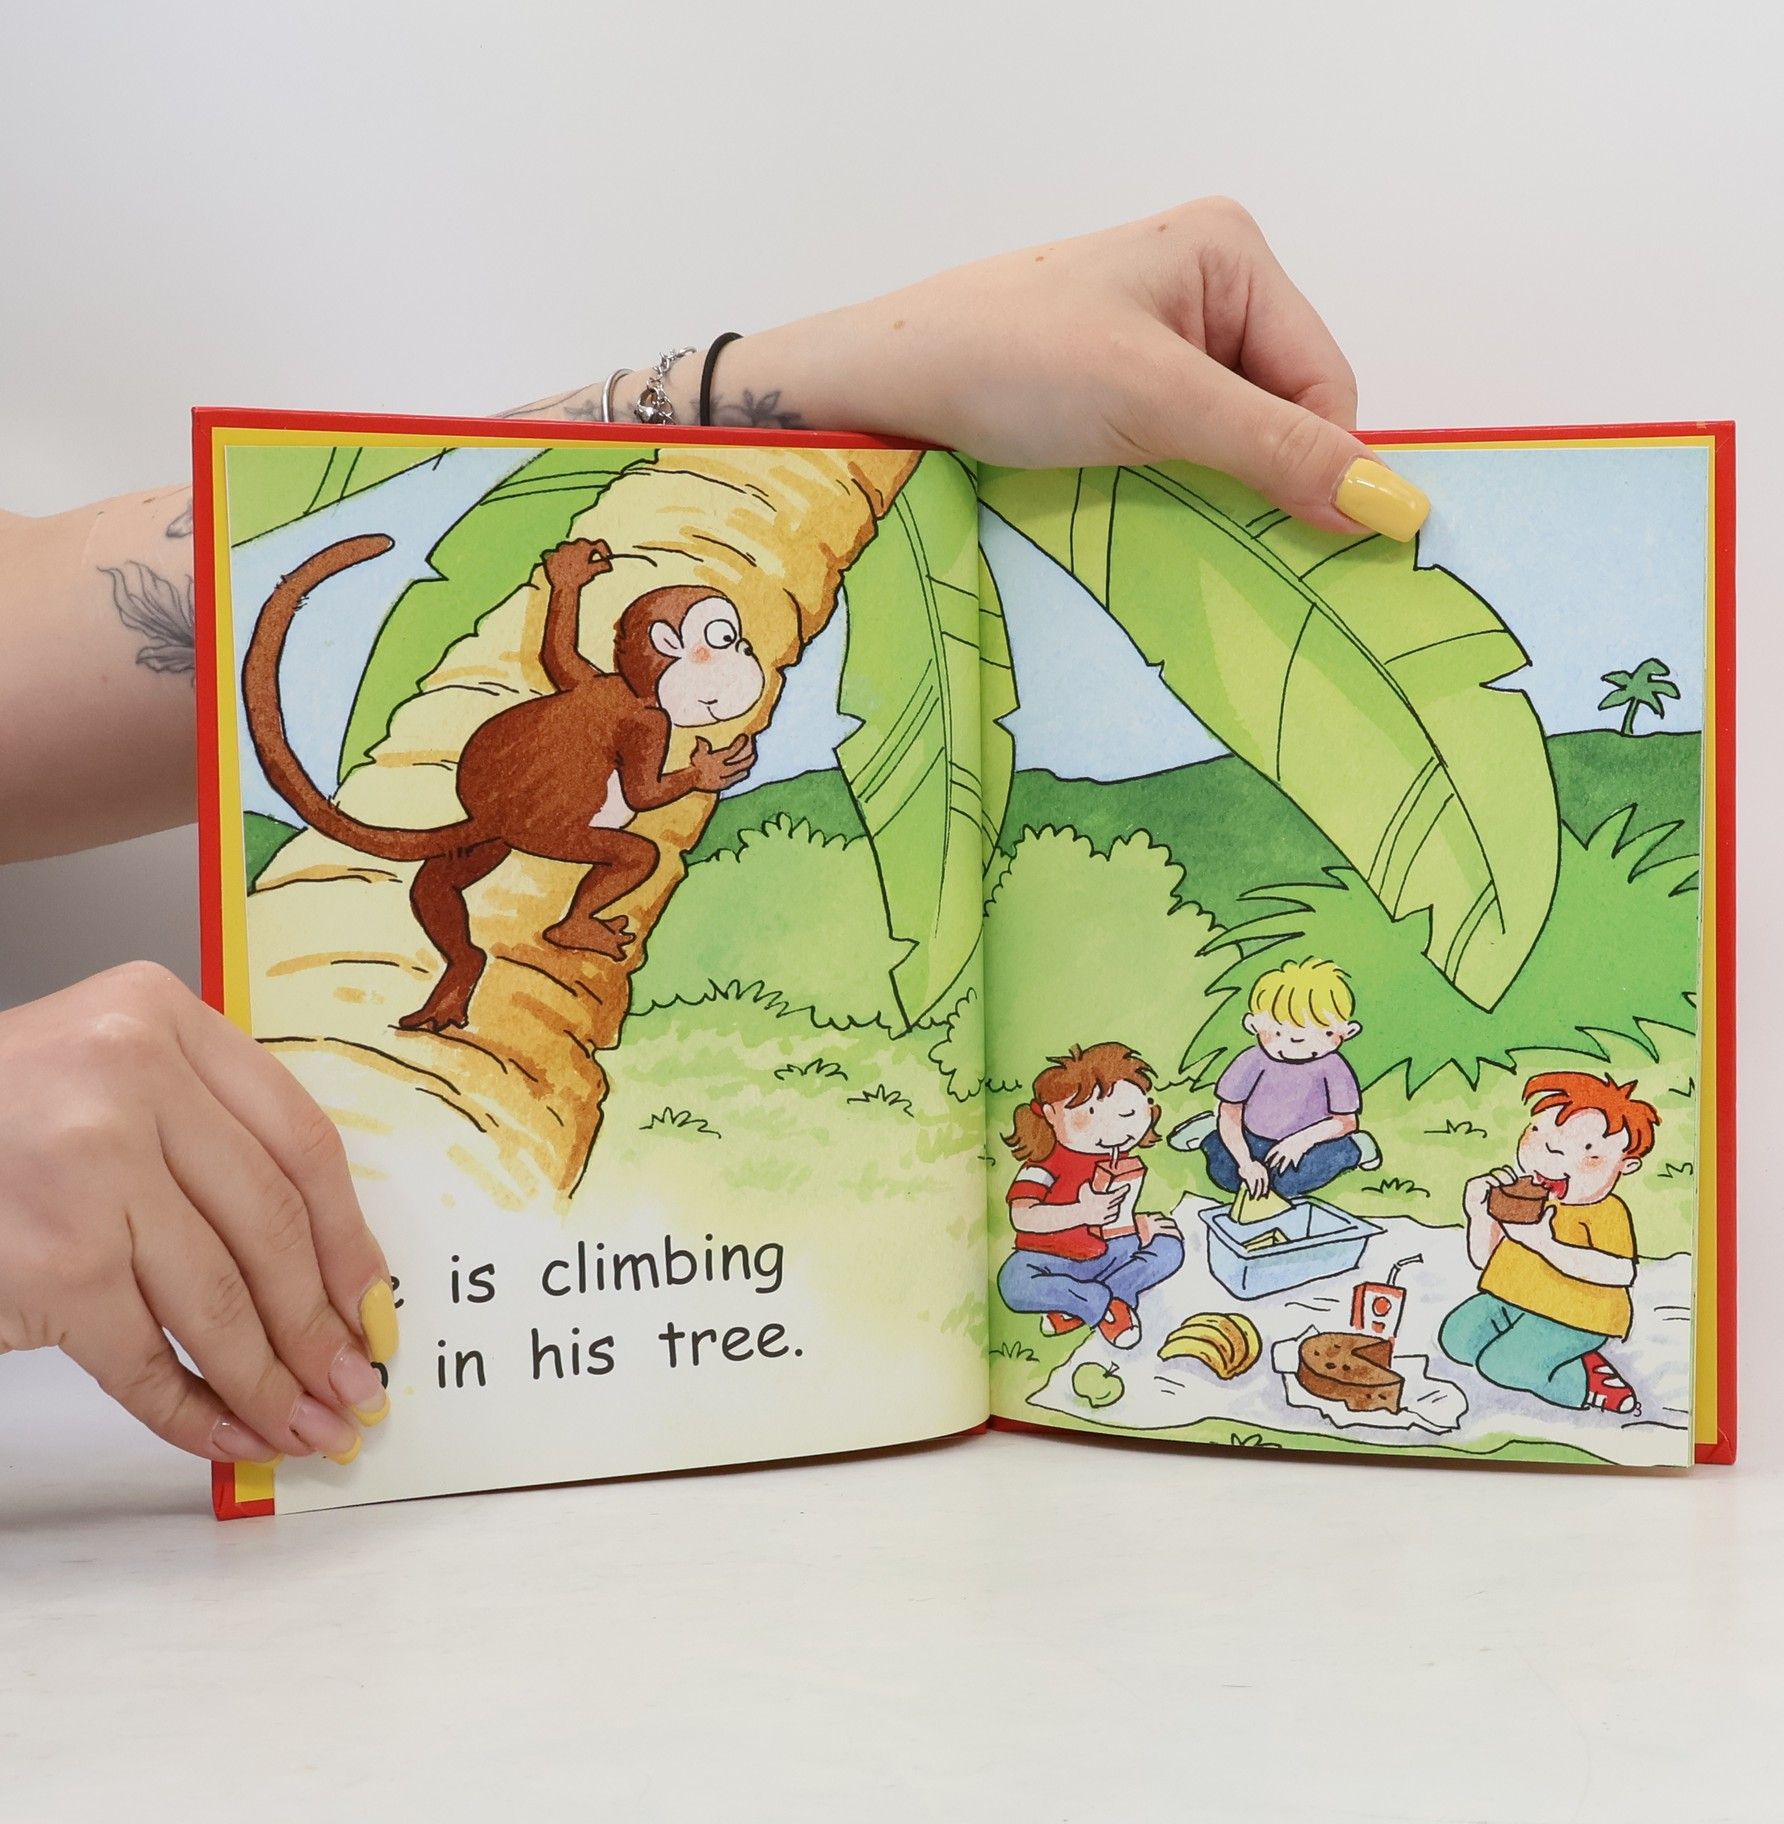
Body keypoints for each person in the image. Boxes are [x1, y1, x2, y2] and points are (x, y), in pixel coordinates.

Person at [0, 198, 1430, 1464]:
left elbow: (69, 627)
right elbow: (627, 771)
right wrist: (697, 749)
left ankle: (471, 966)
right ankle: (520, 949)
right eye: (689, 642)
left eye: (718, 643)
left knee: (471, 897)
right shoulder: (630, 715)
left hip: (495, 820)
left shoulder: (615, 691)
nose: (709, 660)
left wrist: (829, 377)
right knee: (586, 870)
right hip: (516, 836)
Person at [1439, 1071, 1658, 1416]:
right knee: (1458, 1339)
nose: (1551, 1151)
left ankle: (1587, 1383)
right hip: (1514, 1299)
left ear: (1625, 1165)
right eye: (1538, 1133)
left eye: (1587, 1152)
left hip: (1579, 1316)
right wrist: (1479, 1214)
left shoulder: (1605, 1211)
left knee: (1502, 1365)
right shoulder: (1525, 1198)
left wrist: (1545, 1244)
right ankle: (1563, 1355)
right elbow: (1484, 1260)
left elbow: (1620, 1272)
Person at [996, 1044, 1183, 1351]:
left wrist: (1139, 1225)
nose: (1114, 1130)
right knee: (1013, 1282)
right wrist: (1081, 1212)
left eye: (1127, 1113)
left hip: (1110, 1251)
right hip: (1050, 1259)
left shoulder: (1119, 1158)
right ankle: (1103, 1302)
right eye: (1091, 1113)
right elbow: (1022, 1215)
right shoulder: (1044, 1164)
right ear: (1051, 1114)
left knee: (1170, 1248)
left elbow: (1118, 1217)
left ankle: (1078, 1307)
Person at [1186, 957, 1378, 1200]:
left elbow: (1345, 1121)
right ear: (1254, 1025)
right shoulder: (1251, 1060)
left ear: (1346, 1032)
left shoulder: (1334, 1067)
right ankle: (1210, 1130)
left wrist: (1300, 1141)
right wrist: (1246, 1163)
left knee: (1286, 1184)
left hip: (1311, 1140)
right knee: (1225, 1174)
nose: (1297, 1042)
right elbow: (1231, 1110)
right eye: (1278, 1032)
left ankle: (1358, 1147)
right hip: (1253, 1135)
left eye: (1323, 1032)